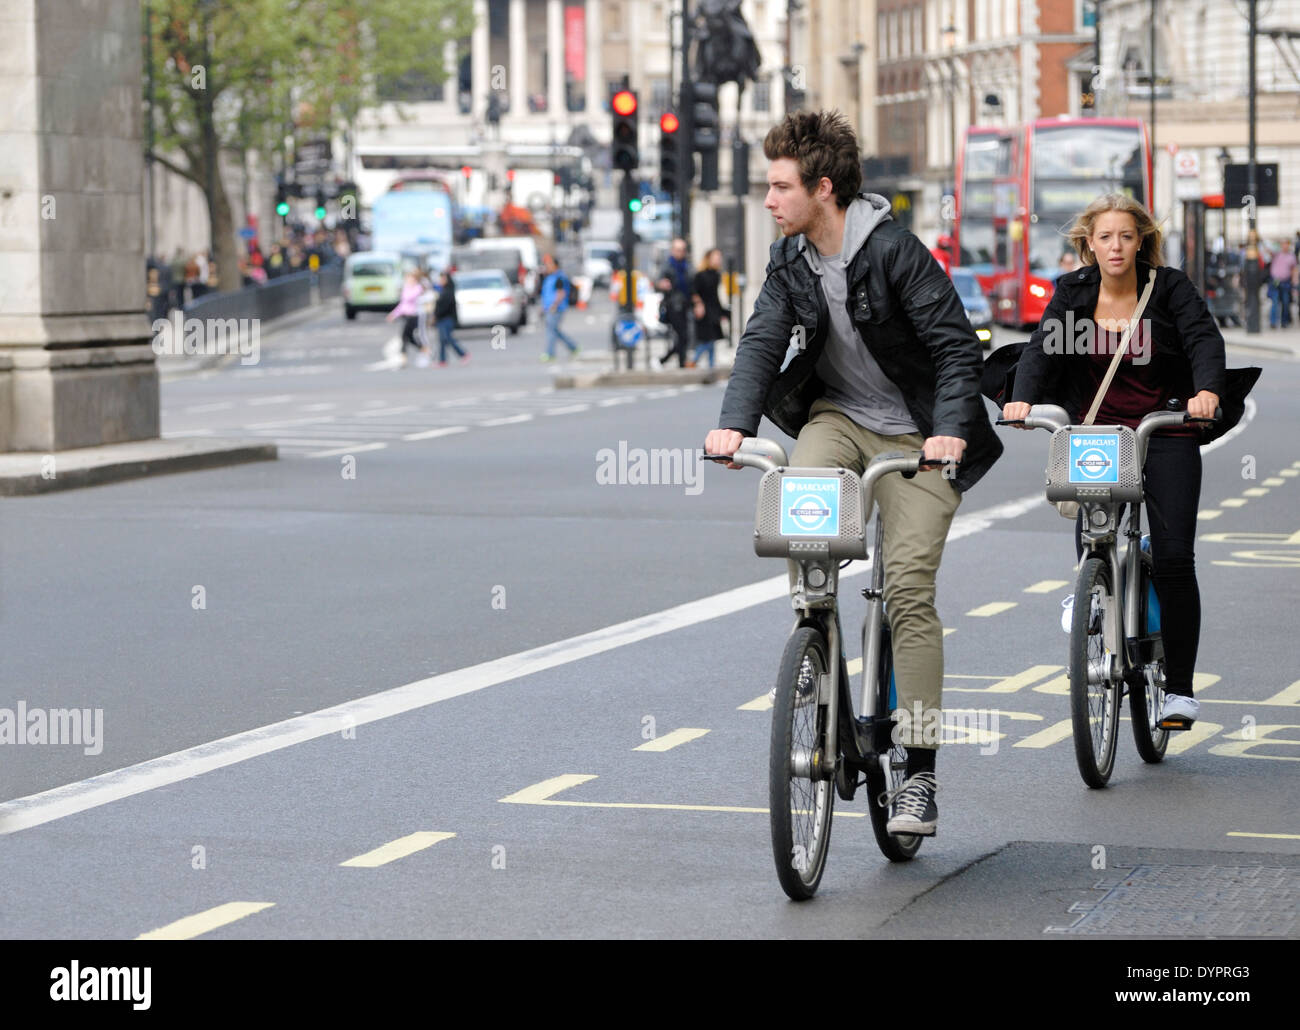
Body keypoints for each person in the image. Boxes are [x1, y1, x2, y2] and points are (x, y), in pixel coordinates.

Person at [703, 110, 1002, 837]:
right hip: (838, 418)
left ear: (823, 188)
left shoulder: (896, 252)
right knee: (799, 508)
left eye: (779, 187)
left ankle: (920, 774)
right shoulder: (790, 260)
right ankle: (817, 635)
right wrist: (734, 425)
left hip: (917, 432)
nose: (769, 200)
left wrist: (949, 438)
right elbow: (761, 340)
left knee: (908, 592)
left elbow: (957, 350)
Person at [1001, 192, 1256, 731]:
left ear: (1141, 241)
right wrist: (1022, 399)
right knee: (1094, 523)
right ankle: (1089, 585)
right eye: (1104, 237)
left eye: (1125, 236)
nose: (1115, 247)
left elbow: (1203, 340)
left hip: (1163, 427)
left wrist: (1206, 391)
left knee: (1173, 558)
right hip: (1096, 430)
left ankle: (1180, 693)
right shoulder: (1073, 290)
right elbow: (1042, 348)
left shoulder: (1170, 289)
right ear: (1088, 244)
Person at [689, 247, 730, 368]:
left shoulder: (717, 275)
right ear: (708, 259)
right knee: (708, 340)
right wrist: (698, 305)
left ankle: (711, 366)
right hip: (703, 311)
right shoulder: (700, 275)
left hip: (713, 310)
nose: (718, 260)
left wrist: (722, 312)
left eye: (719, 258)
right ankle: (693, 360)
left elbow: (716, 296)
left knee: (712, 340)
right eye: (715, 257)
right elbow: (693, 291)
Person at [656, 238, 693, 367]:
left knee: (684, 336)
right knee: (683, 335)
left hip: (685, 304)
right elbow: (658, 281)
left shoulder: (687, 265)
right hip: (672, 305)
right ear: (672, 251)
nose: (681, 253)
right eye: (678, 250)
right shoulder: (667, 265)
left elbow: (692, 282)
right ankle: (668, 359)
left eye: (683, 250)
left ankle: (678, 361)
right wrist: (662, 284)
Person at [538, 253, 580, 362]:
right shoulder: (550, 277)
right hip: (549, 308)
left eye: (550, 264)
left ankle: (550, 353)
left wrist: (554, 305)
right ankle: (573, 347)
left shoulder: (559, 277)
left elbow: (561, 293)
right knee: (554, 330)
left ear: (556, 265)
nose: (547, 266)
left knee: (551, 331)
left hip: (556, 308)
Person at [386, 269, 430, 368]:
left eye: (410, 278)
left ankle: (405, 357)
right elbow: (402, 305)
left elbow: (410, 298)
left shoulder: (418, 288)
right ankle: (422, 349)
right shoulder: (407, 288)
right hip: (405, 316)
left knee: (404, 336)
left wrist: (415, 285)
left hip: (414, 316)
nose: (408, 280)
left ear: (414, 279)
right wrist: (393, 314)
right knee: (408, 337)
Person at [432, 269, 468, 366]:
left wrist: (436, 314)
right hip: (442, 319)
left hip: (446, 318)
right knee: (442, 340)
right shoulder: (443, 290)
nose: (440, 281)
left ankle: (463, 354)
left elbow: (444, 307)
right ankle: (442, 360)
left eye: (442, 279)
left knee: (447, 338)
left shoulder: (448, 291)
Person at [1267, 238, 1296, 329]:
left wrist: (1294, 281)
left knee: (1285, 302)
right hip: (1275, 281)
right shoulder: (1277, 254)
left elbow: (1294, 270)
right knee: (1275, 302)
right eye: (1283, 244)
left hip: (1286, 282)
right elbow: (1268, 250)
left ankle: (1284, 321)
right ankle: (1273, 322)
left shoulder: (1291, 257)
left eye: (1286, 244)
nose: (1284, 246)